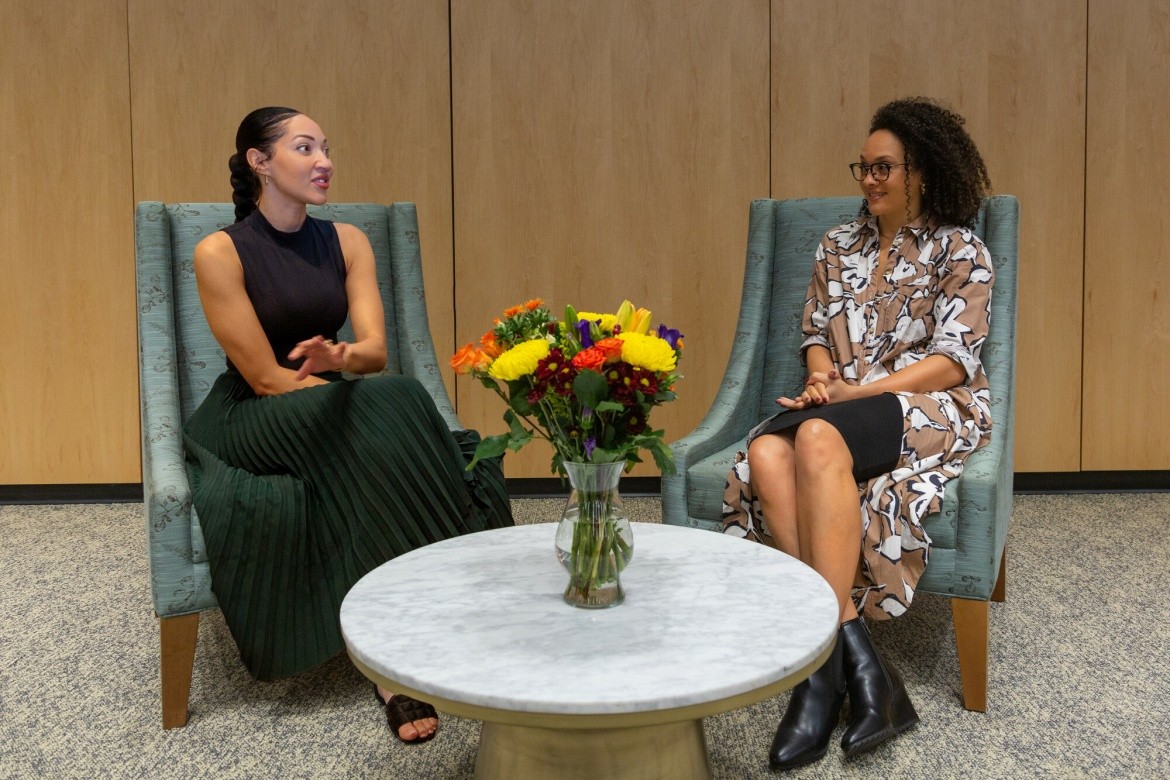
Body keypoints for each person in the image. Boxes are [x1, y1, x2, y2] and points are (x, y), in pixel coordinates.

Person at [184, 106, 514, 744]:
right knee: (389, 406)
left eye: (326, 149)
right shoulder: (219, 252)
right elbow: (266, 378)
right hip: (251, 412)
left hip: (330, 393)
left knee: (393, 397)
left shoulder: (348, 241)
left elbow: (374, 354)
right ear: (260, 161)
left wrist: (339, 358)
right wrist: (347, 393)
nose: (324, 162)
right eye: (305, 148)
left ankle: (422, 620)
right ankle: (393, 667)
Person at [721, 97, 994, 769]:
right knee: (765, 451)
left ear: (920, 171)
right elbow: (815, 333)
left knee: (815, 439)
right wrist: (822, 381)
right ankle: (851, 666)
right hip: (844, 406)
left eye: (883, 168)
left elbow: (953, 360)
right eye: (863, 167)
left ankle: (820, 684)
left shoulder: (961, 248)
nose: (869, 180)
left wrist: (855, 394)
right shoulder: (836, 244)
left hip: (930, 406)